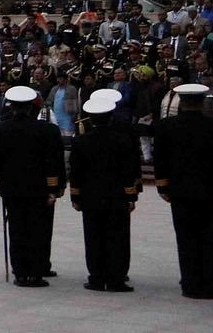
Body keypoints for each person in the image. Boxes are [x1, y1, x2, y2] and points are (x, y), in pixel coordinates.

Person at [154, 81, 213, 299]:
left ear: (181, 102)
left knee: (186, 237)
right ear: (203, 101)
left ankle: (191, 282)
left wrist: (163, 186)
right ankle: (212, 283)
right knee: (211, 237)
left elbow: (161, 159)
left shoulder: (167, 126)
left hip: (180, 190)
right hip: (211, 191)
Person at [0, 83, 66, 286]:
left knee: (16, 229)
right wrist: (55, 188)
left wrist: (3, 180)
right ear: (33, 107)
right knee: (38, 230)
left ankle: (20, 272)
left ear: (11, 107)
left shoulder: (0, 129)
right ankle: (36, 271)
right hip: (40, 189)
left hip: (12, 189)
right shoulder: (48, 130)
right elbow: (55, 162)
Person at [72, 93, 142, 291]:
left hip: (90, 196)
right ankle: (116, 278)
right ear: (111, 116)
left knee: (93, 236)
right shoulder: (122, 140)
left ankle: (96, 276)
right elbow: (128, 170)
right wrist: (131, 195)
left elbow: (76, 172)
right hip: (116, 196)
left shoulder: (81, 141)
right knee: (117, 237)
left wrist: (75, 195)